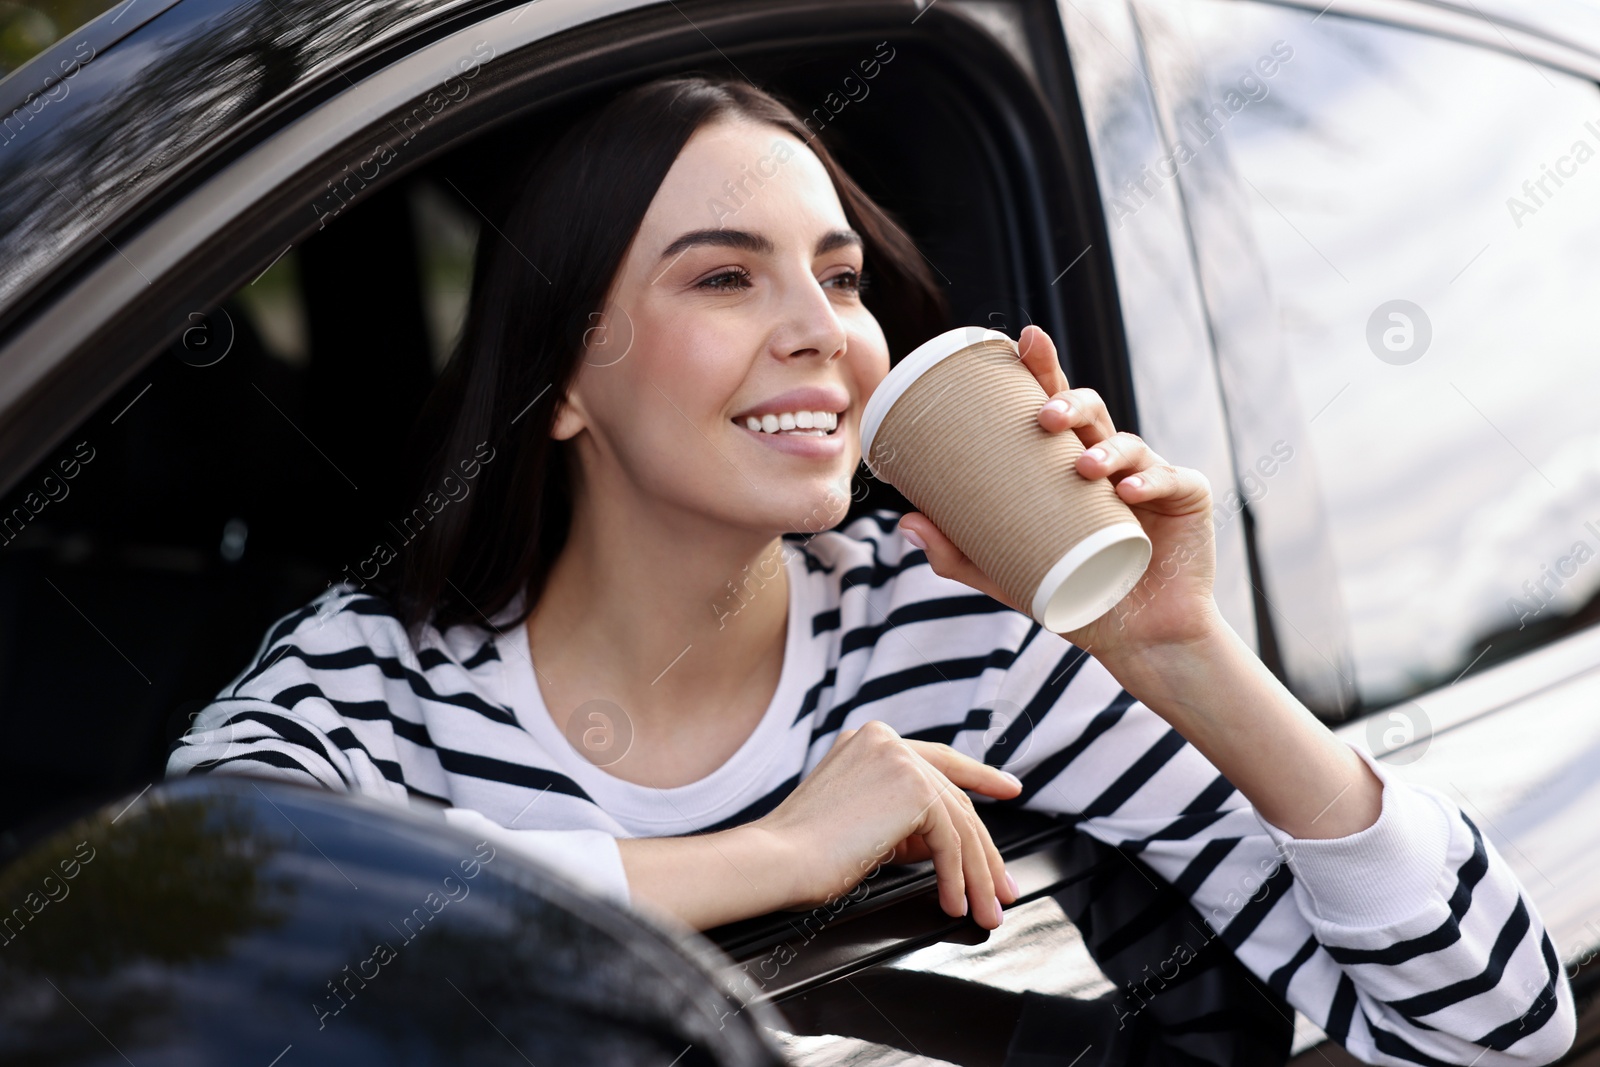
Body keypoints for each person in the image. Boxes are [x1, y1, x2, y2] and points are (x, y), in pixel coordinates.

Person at [168, 74, 1573, 1065]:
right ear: (560, 381)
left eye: (838, 279)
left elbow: (1498, 1031)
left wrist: (1178, 647)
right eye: (725, 278)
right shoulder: (376, 671)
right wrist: (770, 856)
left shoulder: (960, 639)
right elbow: (196, 921)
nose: (822, 333)